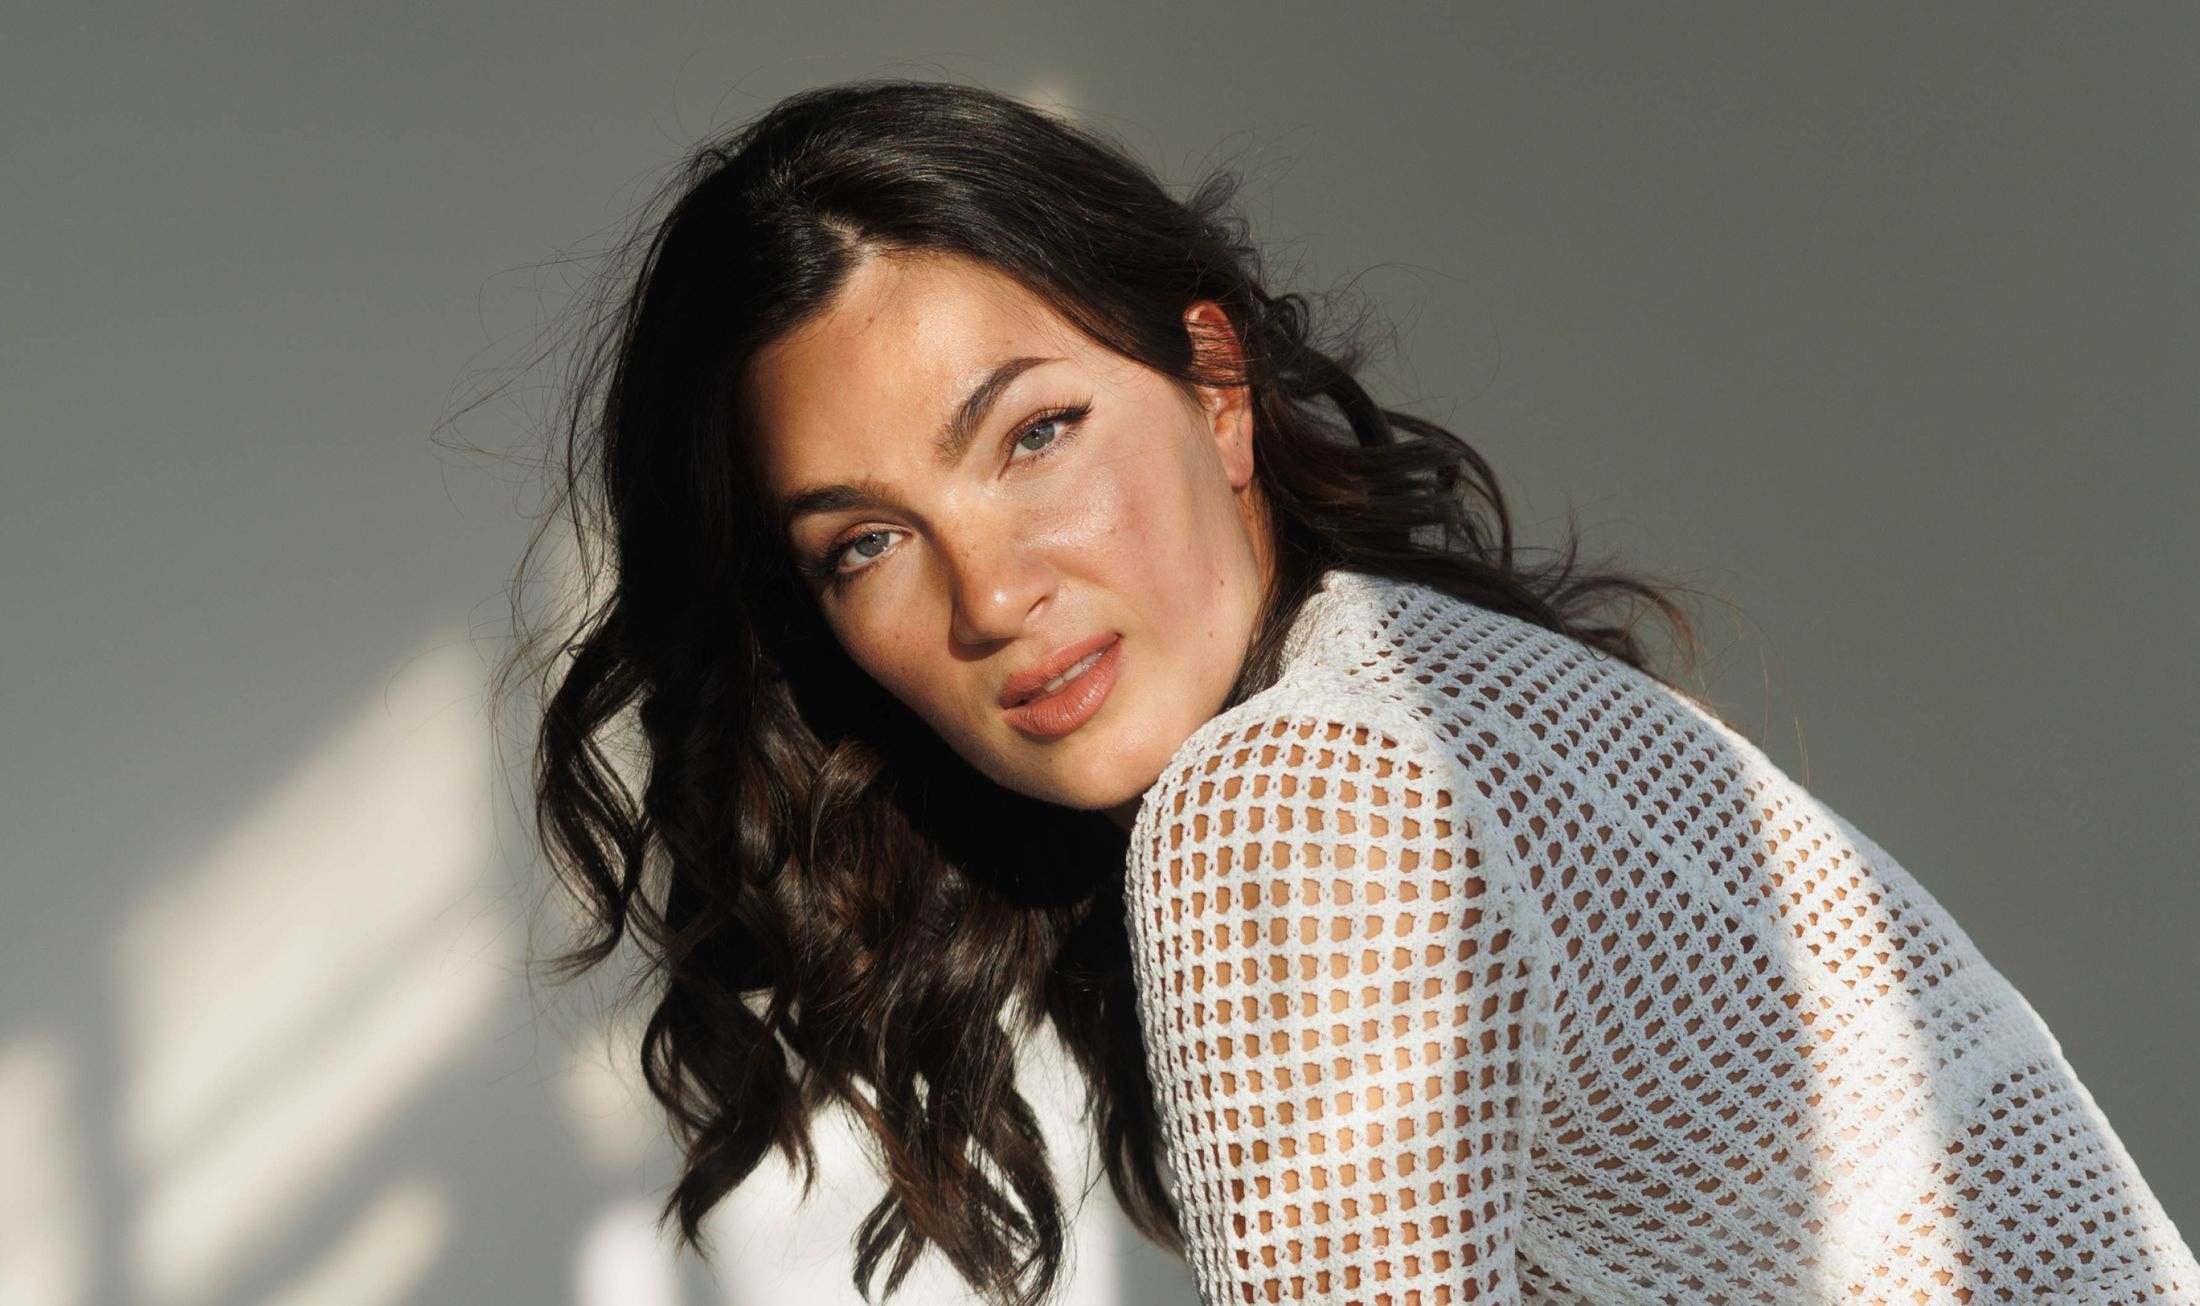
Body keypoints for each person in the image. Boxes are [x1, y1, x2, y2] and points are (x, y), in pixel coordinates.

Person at [500, 78, 2200, 1306]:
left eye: (1033, 435)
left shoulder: (1294, 795)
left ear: (1215, 385)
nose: (992, 594)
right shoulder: (1421, 688)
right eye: (866, 542)